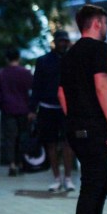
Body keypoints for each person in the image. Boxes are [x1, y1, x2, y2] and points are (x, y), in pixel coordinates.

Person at [57, 4, 107, 214]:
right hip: (94, 127)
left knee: (97, 183)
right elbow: (102, 85)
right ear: (96, 24)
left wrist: (73, 117)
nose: (105, 27)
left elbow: (61, 92)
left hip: (76, 128)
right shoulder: (99, 49)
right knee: (95, 185)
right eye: (104, 23)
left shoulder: (69, 54)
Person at [30, 30, 76, 191]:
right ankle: (57, 177)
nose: (63, 44)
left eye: (65, 41)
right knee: (50, 143)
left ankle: (68, 178)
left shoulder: (73, 60)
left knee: (68, 143)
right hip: (47, 106)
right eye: (61, 41)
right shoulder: (43, 61)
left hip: (67, 108)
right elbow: (36, 86)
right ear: (55, 42)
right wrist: (32, 108)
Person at [0, 48, 33, 176]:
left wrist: (1, 105)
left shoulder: (1, 74)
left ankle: (11, 164)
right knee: (22, 137)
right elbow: (31, 91)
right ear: (18, 58)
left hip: (8, 109)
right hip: (24, 110)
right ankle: (20, 162)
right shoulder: (26, 73)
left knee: (10, 138)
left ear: (7, 59)